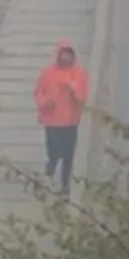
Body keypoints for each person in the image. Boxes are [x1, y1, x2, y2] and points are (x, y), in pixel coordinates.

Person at [33, 39, 88, 194]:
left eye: (68, 55)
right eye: (63, 54)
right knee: (53, 153)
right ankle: (49, 173)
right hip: (52, 121)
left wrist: (72, 88)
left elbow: (82, 98)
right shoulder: (48, 73)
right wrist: (45, 102)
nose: (65, 58)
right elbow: (38, 92)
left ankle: (65, 185)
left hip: (70, 121)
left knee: (68, 155)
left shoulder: (78, 75)